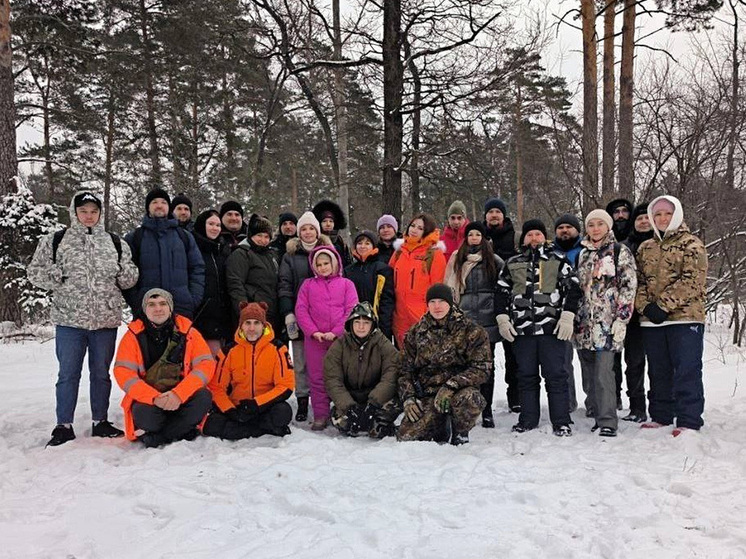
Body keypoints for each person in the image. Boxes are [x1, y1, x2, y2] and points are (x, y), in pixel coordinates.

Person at [28, 191, 139, 446]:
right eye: (83, 211)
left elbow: (130, 276)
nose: (88, 216)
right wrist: (54, 275)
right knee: (68, 373)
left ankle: (100, 421)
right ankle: (63, 424)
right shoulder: (56, 241)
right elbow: (35, 273)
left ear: (100, 214)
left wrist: (124, 274)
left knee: (101, 373)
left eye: (93, 211)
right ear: (74, 213)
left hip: (105, 321)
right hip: (69, 320)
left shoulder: (115, 242)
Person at [495, 219, 581, 436]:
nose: (534, 238)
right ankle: (528, 418)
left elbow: (573, 289)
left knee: (556, 376)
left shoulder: (557, 260)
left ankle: (561, 420)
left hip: (551, 331)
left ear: (545, 237)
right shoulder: (512, 263)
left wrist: (568, 316)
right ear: (524, 238)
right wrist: (503, 318)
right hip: (522, 332)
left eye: (538, 234)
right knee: (526, 376)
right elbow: (501, 292)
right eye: (530, 234)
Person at [635, 195, 707, 436]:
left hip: (684, 319)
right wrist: (645, 306)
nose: (663, 218)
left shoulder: (691, 244)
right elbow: (638, 281)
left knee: (686, 368)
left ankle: (688, 420)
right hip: (653, 322)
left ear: (676, 215)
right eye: (658, 215)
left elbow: (692, 281)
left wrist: (664, 306)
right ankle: (661, 415)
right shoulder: (646, 247)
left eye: (667, 214)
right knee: (658, 370)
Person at [113, 289, 215, 448]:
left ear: (170, 307)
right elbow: (123, 373)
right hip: (150, 399)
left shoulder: (189, 332)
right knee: (143, 415)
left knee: (203, 398)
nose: (158, 308)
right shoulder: (132, 336)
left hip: (182, 396)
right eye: (151, 304)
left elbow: (206, 365)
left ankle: (160, 436)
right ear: (144, 309)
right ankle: (180, 429)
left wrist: (178, 394)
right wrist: (154, 398)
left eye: (162, 303)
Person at [397, 284, 492, 445]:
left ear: (451, 303)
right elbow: (405, 370)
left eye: (441, 301)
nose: (437, 306)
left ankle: (460, 433)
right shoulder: (416, 332)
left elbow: (482, 368)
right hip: (429, 394)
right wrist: (409, 398)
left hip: (458, 392)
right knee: (406, 436)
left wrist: (451, 385)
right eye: (432, 302)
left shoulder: (472, 330)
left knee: (469, 398)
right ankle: (440, 425)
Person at [574, 210, 637, 437]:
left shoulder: (620, 252)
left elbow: (629, 287)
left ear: (608, 227)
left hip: (608, 325)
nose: (595, 228)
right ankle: (596, 413)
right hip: (584, 326)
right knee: (589, 375)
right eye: (591, 224)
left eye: (600, 224)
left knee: (603, 374)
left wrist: (622, 318)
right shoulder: (582, 255)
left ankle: (608, 420)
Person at [443, 221, 504, 428]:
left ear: (484, 238)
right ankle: (468, 407)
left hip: (488, 322)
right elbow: (449, 289)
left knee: (487, 368)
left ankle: (487, 410)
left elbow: (503, 288)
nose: (474, 238)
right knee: (465, 366)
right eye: (471, 235)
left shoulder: (494, 260)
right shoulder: (457, 259)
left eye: (478, 234)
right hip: (465, 321)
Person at [203, 302, 295, 440]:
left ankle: (242, 430)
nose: (252, 328)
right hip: (237, 408)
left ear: (263, 325)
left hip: (265, 407)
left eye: (256, 323)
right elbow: (216, 388)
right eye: (248, 323)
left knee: (283, 412)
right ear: (241, 326)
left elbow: (285, 386)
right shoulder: (228, 351)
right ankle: (262, 429)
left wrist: (257, 404)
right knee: (211, 424)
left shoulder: (278, 349)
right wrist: (231, 410)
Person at [295, 246, 359, 430]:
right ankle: (321, 415)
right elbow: (301, 310)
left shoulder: (347, 284)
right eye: (319, 264)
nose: (323, 267)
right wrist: (313, 331)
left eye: (326, 263)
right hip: (315, 341)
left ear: (334, 263)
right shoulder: (307, 285)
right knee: (317, 378)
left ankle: (343, 411)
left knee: (342, 377)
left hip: (341, 340)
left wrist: (337, 331)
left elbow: (351, 310)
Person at [278, 211, 333, 422]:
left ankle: (326, 399)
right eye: (304, 229)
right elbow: (284, 285)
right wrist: (288, 313)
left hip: (325, 319)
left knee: (326, 363)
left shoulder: (328, 252)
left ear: (318, 231)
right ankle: (302, 399)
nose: (308, 232)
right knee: (300, 361)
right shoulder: (290, 256)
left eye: (311, 228)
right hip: (300, 317)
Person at [124, 187, 205, 319]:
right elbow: (126, 272)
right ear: (148, 207)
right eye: (154, 202)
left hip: (181, 308)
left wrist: (193, 299)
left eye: (164, 202)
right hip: (147, 310)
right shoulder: (135, 238)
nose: (159, 205)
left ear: (169, 207)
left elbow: (197, 268)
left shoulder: (184, 236)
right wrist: (136, 301)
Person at [324, 302, 401, 438]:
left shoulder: (383, 344)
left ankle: (379, 425)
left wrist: (373, 403)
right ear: (350, 324)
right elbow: (332, 379)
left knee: (388, 413)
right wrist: (349, 406)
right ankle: (360, 420)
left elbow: (391, 375)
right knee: (342, 422)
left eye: (366, 322)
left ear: (372, 325)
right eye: (357, 322)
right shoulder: (339, 346)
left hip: (376, 399)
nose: (361, 326)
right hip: (351, 399)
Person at [482, 197, 520, 412]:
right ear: (485, 215)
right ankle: (484, 401)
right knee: (485, 357)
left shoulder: (515, 238)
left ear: (503, 215)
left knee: (513, 354)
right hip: (484, 305)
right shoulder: (478, 237)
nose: (494, 215)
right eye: (490, 212)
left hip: (510, 302)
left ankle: (515, 397)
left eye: (498, 211)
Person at [389, 213, 447, 348]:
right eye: (413, 226)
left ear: (427, 231)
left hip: (422, 317)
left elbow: (437, 290)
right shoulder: (399, 251)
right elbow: (389, 280)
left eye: (420, 228)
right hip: (399, 318)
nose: (414, 230)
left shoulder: (434, 254)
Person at [620, 203, 654, 422]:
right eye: (639, 218)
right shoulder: (623, 247)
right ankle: (637, 407)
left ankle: (662, 405)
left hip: (659, 313)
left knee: (660, 364)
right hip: (632, 315)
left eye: (646, 218)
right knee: (633, 363)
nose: (643, 222)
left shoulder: (662, 243)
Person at [226, 214, 281, 336]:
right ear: (251, 236)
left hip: (270, 314)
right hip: (251, 317)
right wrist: (245, 311)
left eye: (266, 236)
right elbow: (235, 284)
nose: (263, 240)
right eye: (259, 235)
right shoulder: (241, 254)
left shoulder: (271, 255)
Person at [551, 213, 583, 413]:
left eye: (569, 227)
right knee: (563, 361)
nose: (564, 230)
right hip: (561, 313)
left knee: (592, 362)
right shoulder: (550, 253)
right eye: (560, 227)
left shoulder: (586, 250)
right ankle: (569, 402)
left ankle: (600, 403)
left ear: (577, 231)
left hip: (589, 311)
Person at [192, 209, 233, 357]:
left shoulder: (222, 250)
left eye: (218, 225)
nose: (215, 228)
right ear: (202, 225)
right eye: (211, 224)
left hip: (222, 316)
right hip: (202, 315)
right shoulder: (193, 248)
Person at [606, 197, 634, 408]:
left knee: (635, 362)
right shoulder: (604, 243)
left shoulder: (639, 238)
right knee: (611, 361)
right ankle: (614, 400)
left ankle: (637, 403)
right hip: (608, 311)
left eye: (625, 211)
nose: (621, 215)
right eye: (616, 212)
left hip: (636, 310)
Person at [344, 230, 395, 339]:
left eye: (367, 243)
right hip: (354, 324)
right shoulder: (348, 271)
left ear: (373, 246)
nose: (363, 246)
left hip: (376, 323)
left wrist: (384, 327)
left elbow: (387, 301)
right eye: (360, 243)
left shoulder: (382, 269)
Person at [312, 199, 352, 267]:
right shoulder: (315, 241)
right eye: (324, 221)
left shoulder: (341, 242)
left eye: (331, 221)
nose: (328, 224)